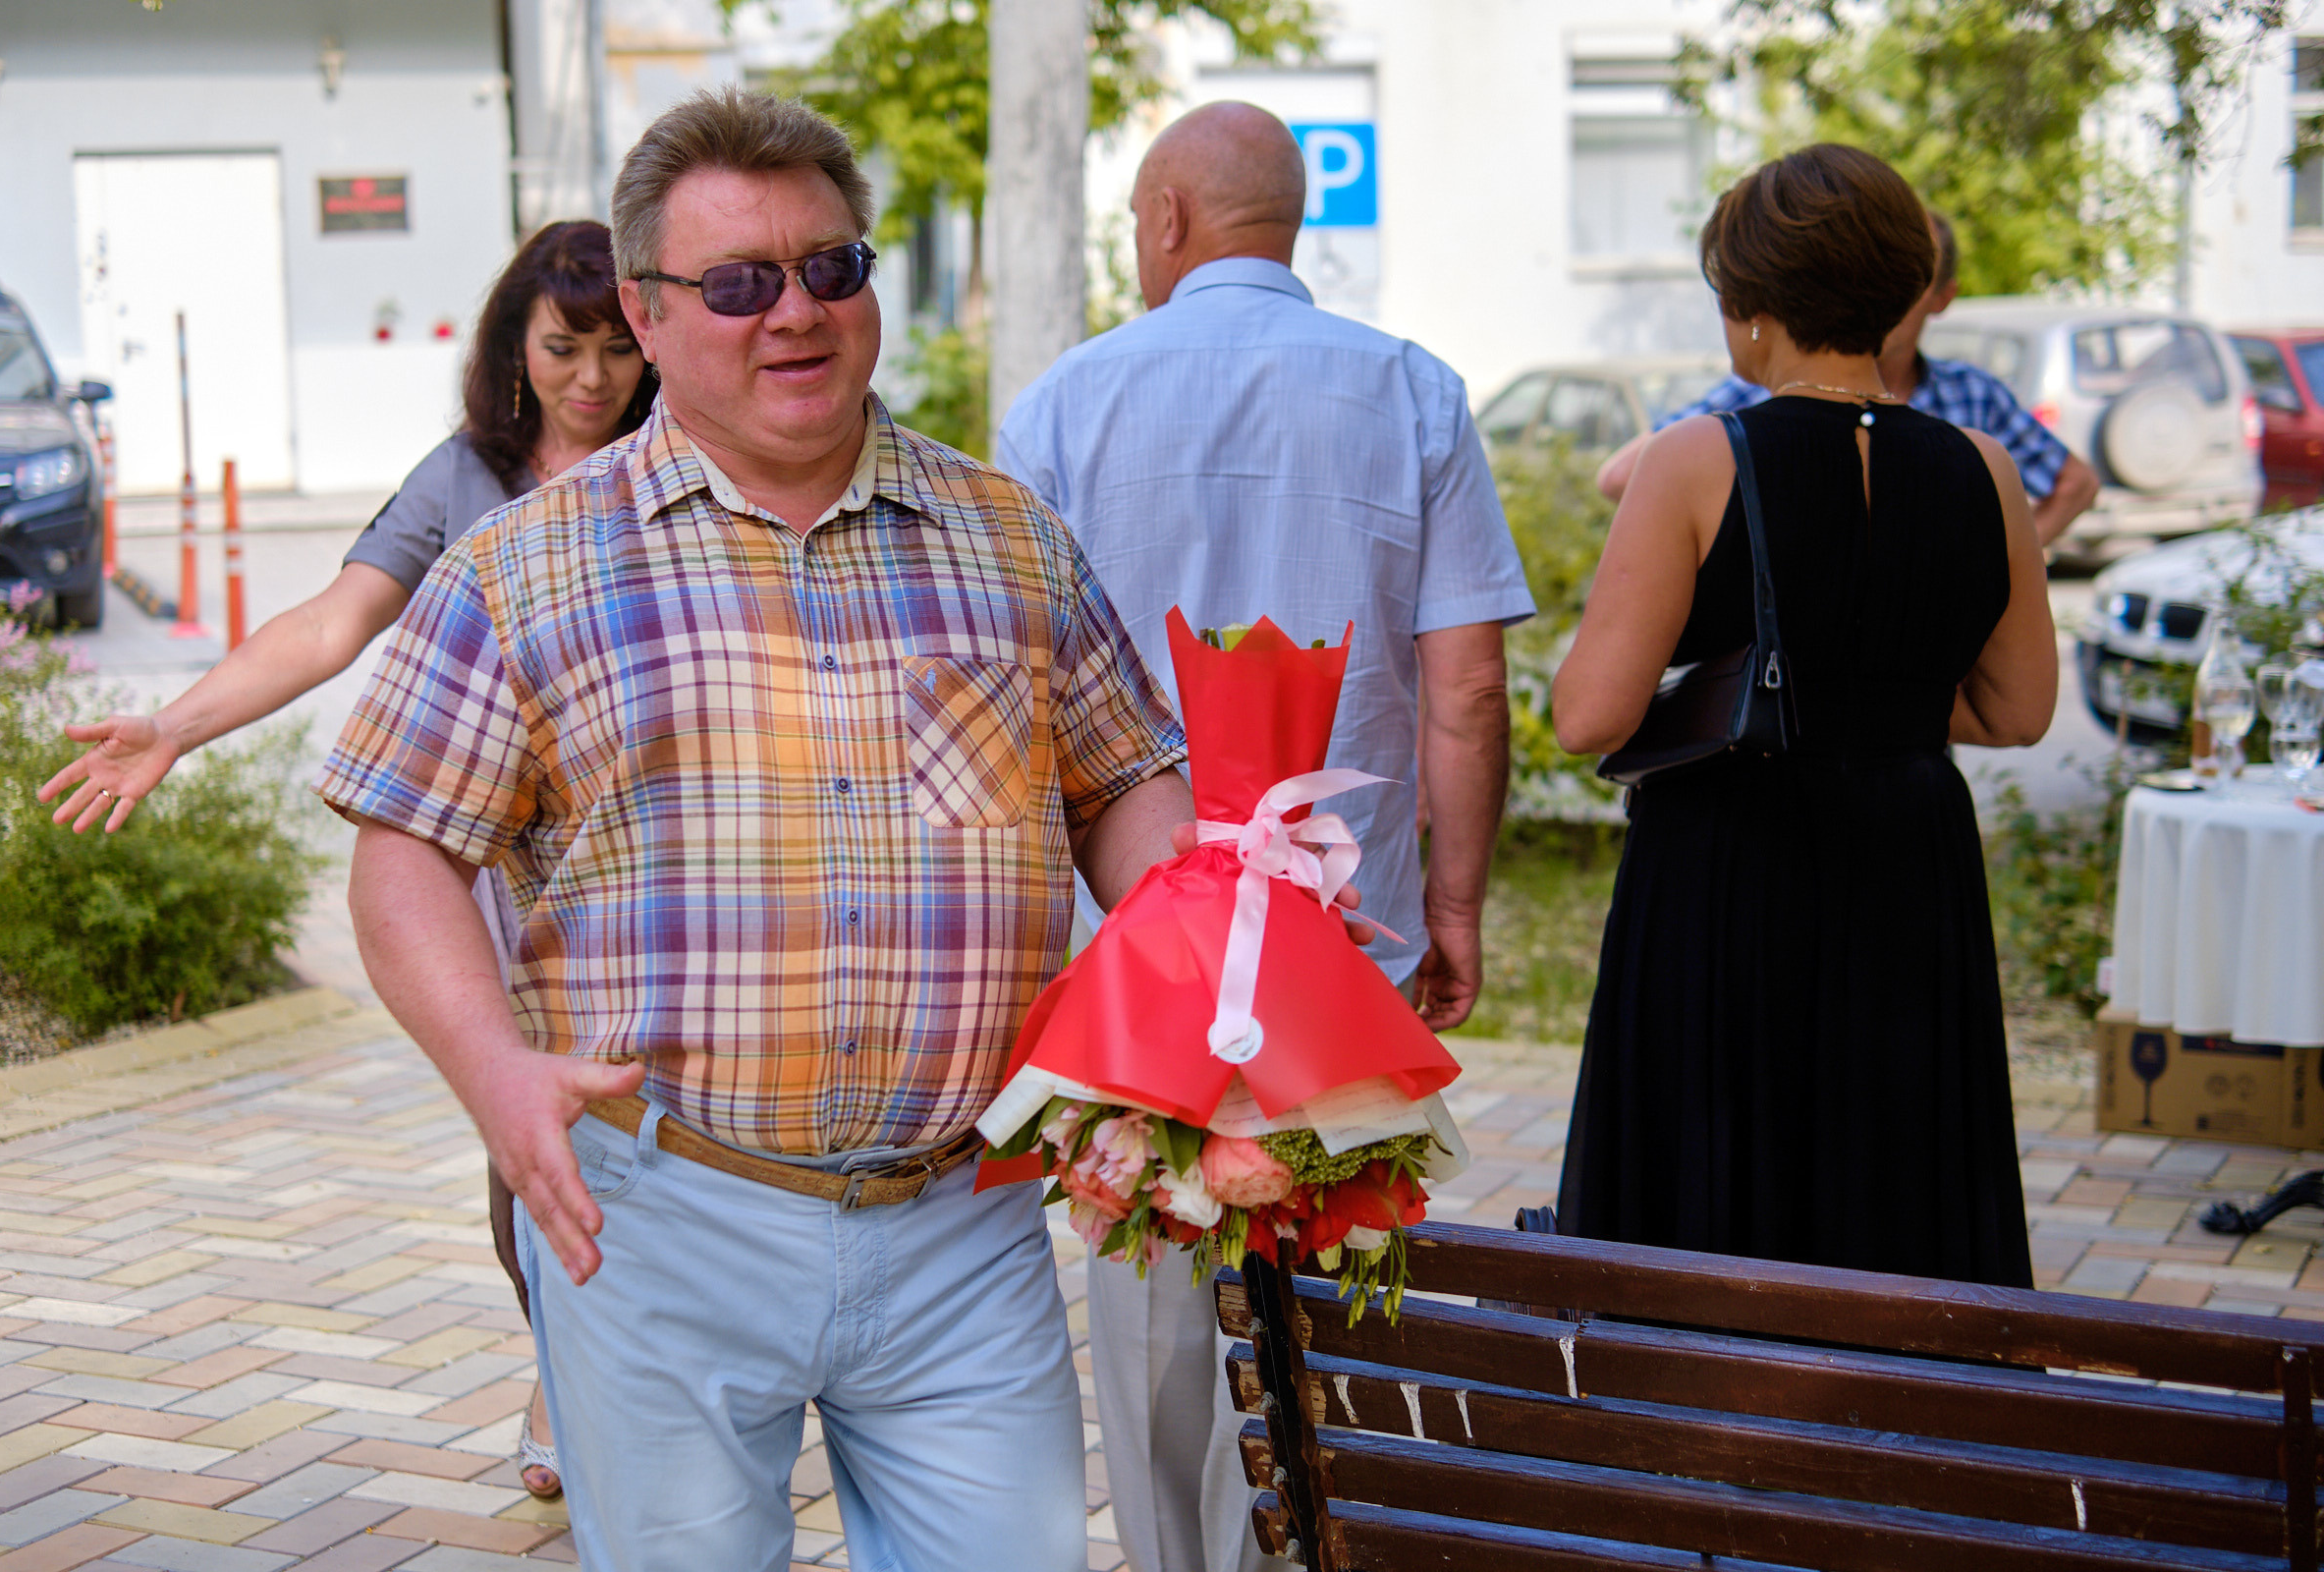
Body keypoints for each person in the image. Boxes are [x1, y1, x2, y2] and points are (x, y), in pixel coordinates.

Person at [316, 88, 1203, 1572]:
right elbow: (403, 846)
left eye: (829, 268)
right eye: (736, 283)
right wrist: (493, 1073)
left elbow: (1119, 783)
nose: (794, 313)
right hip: (656, 1217)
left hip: (963, 1218)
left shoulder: (1012, 539)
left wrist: (1214, 943)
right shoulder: (519, 570)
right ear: (648, 315)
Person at [36, 217, 654, 1500]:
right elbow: (333, 621)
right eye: (563, 347)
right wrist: (175, 726)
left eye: (616, 347)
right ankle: (567, 1364)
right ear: (515, 347)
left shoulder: (687, 454)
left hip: (663, 868)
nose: (592, 377)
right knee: (529, 1150)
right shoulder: (467, 477)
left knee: (664, 1140)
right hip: (511, 888)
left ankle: (621, 1396)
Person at [996, 101, 1534, 1572]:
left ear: (1167, 218)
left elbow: (1012, 692)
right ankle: (1301, 1543)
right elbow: (1467, 687)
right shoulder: (1412, 390)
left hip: (1137, 929)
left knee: (1147, 1264)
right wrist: (1458, 908)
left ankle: (1182, 1556)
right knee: (1333, 1242)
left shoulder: (1063, 404)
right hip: (1343, 925)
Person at [1551, 144, 2056, 1288]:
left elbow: (1591, 714)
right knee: (1894, 1168)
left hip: (1731, 860)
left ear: (1751, 309)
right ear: (1902, 291)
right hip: (1910, 860)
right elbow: (2019, 709)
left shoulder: (1695, 458)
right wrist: (1876, 694)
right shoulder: (1984, 468)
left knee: (1720, 1170)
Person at [1593, 212, 2100, 548]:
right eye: (1873, 277)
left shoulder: (1973, 396)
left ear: (1941, 297)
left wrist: (1995, 571)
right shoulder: (1760, 392)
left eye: (1907, 282)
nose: (1888, 298)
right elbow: (1620, 475)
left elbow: (2076, 483)